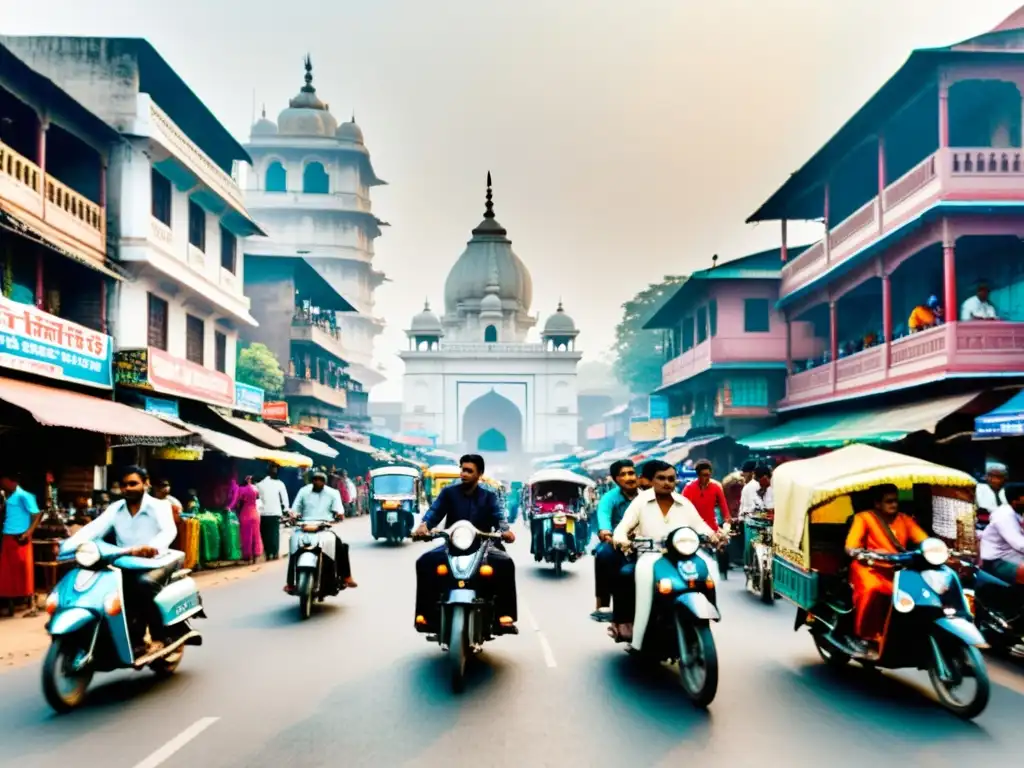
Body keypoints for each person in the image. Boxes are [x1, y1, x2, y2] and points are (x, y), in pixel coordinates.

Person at [64, 466, 177, 654]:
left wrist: (153, 547)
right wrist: (68, 544)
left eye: (133, 484)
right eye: (124, 485)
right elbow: (94, 528)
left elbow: (169, 531)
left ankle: (159, 635)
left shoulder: (159, 506)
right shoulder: (115, 509)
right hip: (123, 560)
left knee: (142, 585)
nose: (127, 489)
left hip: (154, 561)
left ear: (145, 483)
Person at [610, 460, 720, 643]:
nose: (666, 482)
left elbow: (700, 526)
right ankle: (625, 623)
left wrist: (714, 536)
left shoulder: (684, 503)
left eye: (671, 478)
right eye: (661, 478)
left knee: (706, 575)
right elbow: (623, 527)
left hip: (682, 557)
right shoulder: (641, 502)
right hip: (649, 557)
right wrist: (621, 539)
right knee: (626, 574)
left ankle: (707, 610)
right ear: (652, 480)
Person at [412, 454, 517, 635]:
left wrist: (505, 530)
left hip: (483, 545)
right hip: (452, 544)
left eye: (469, 471)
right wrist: (424, 526)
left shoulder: (489, 496)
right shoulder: (448, 493)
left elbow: (499, 516)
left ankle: (504, 617)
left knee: (505, 563)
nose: (464, 474)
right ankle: (425, 616)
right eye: (463, 469)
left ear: (480, 474)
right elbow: (435, 511)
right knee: (424, 562)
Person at [844, 483, 929, 657]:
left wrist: (933, 548)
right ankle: (863, 637)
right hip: (869, 566)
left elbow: (923, 539)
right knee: (872, 590)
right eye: (889, 501)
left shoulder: (905, 519)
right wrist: (861, 553)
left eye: (896, 501)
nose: (894, 505)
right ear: (877, 503)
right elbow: (851, 545)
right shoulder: (864, 518)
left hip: (897, 567)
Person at [287, 471, 357, 592]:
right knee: (293, 548)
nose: (317, 482)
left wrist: (339, 515)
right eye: (315, 479)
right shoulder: (303, 491)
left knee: (340, 545)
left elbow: (339, 509)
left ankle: (346, 576)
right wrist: (293, 515)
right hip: (304, 525)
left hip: (324, 527)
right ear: (311, 480)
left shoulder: (333, 493)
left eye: (320, 480)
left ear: (325, 482)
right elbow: (295, 508)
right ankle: (290, 582)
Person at [591, 459, 639, 622]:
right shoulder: (608, 498)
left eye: (631, 473)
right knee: (603, 554)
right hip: (618, 543)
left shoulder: (646, 496)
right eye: (623, 475)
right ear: (616, 479)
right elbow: (604, 518)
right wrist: (607, 534)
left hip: (647, 542)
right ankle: (603, 603)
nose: (629, 478)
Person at [0, 471, 41, 617]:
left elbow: (37, 514)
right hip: (7, 536)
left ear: (12, 481)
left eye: (4, 480)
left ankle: (28, 602)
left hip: (20, 537)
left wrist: (28, 532)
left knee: (23, 570)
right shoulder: (8, 496)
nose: (2, 483)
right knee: (7, 571)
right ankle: (10, 602)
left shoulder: (25, 495)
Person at [980, 482, 1024, 586]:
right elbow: (1020, 545)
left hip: (1015, 557)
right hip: (998, 562)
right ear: (1015, 500)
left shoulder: (1017, 512)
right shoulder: (1004, 516)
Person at [738, 465, 774, 568]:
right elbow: (745, 505)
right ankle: (749, 566)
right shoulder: (750, 487)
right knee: (751, 545)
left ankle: (749, 565)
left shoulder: (770, 488)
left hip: (764, 522)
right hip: (752, 522)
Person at [682, 459, 729, 532]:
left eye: (709, 475)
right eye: (704, 475)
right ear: (698, 475)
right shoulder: (689, 488)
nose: (707, 478)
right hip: (694, 529)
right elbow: (684, 508)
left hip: (712, 528)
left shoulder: (716, 487)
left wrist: (727, 524)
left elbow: (724, 507)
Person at [257, 464, 290, 560]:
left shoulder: (259, 484)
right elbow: (285, 499)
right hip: (275, 512)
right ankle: (274, 552)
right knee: (274, 533)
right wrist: (286, 509)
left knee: (265, 533)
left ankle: (268, 553)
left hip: (263, 512)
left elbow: (257, 499)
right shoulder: (280, 483)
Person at [234, 476, 263, 564]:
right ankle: (256, 556)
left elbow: (238, 502)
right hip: (255, 513)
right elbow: (258, 500)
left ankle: (248, 556)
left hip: (245, 514)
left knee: (246, 536)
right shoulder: (256, 489)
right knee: (256, 535)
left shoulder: (241, 489)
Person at [975, 463, 1008, 530]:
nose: (994, 480)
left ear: (1005, 478)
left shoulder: (1008, 491)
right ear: (986, 477)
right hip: (983, 525)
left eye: (998, 477)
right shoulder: (978, 488)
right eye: (991, 476)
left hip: (1005, 525)